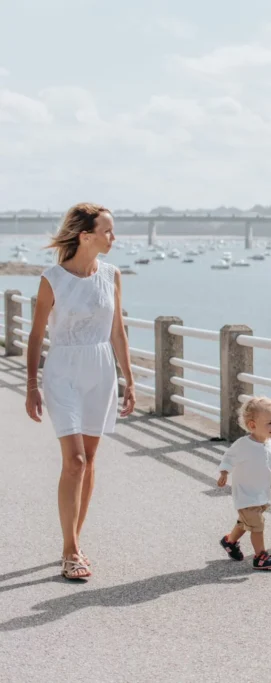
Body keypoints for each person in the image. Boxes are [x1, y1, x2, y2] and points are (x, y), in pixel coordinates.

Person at [24, 203, 135, 582]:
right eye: (107, 231)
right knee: (73, 461)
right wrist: (30, 386)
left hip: (100, 371)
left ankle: (74, 540)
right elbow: (37, 335)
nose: (113, 238)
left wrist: (129, 380)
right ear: (85, 236)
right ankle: (70, 550)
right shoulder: (52, 278)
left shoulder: (113, 275)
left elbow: (118, 331)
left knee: (89, 459)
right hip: (62, 372)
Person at [217, 396, 271, 570]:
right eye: (269, 423)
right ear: (252, 425)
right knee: (257, 525)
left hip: (261, 493)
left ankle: (229, 541)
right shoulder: (242, 445)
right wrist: (224, 473)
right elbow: (228, 459)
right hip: (245, 495)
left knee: (245, 523)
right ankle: (260, 556)